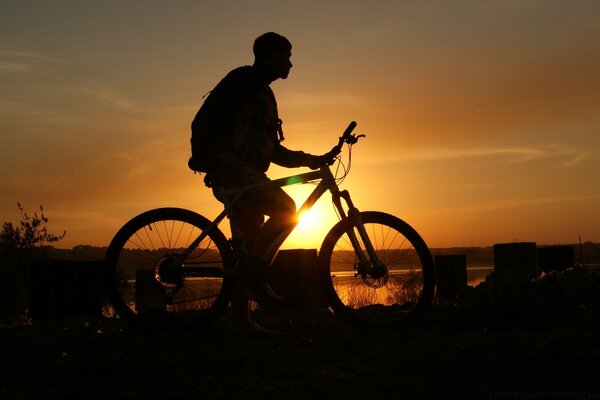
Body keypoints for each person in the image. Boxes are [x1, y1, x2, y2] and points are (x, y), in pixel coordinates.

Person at [189, 32, 336, 332]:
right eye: (287, 56)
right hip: (233, 169)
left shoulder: (264, 94)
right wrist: (216, 155)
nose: (291, 64)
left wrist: (310, 159)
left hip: (250, 172)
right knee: (287, 207)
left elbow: (273, 149)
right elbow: (206, 119)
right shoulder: (243, 81)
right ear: (270, 56)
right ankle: (255, 278)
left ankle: (242, 319)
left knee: (247, 243)